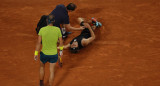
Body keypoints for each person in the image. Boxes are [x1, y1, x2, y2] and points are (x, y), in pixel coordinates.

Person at [34, 14, 64, 86]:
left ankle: (41, 83)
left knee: (42, 67)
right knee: (52, 72)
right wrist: (61, 51)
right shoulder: (57, 30)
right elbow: (61, 42)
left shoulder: (42, 30)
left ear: (47, 20)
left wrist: (35, 53)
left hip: (43, 54)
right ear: (54, 21)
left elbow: (38, 43)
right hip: (53, 55)